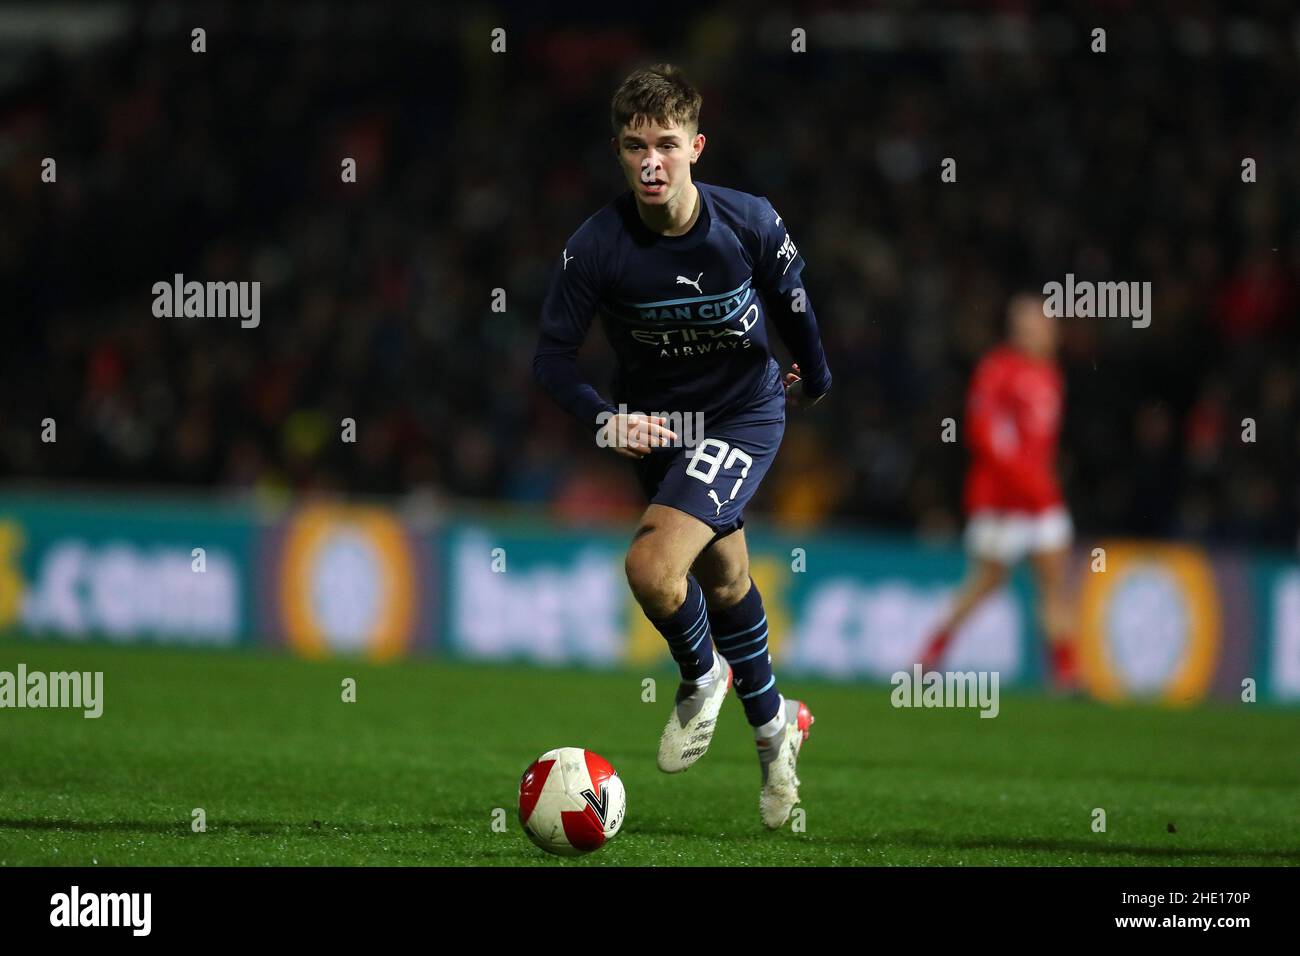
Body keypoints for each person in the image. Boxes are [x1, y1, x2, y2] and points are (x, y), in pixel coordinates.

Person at [532, 64, 832, 828]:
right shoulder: (595, 248)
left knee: (652, 569)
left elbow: (796, 305)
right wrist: (606, 419)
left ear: (696, 145)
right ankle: (778, 737)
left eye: (666, 143)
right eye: (635, 147)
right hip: (659, 429)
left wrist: (816, 378)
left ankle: (701, 676)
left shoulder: (749, 223)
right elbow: (552, 360)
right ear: (619, 152)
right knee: (727, 581)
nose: (651, 162)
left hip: (741, 415)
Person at [919, 293, 1078, 689]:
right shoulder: (997, 369)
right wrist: (1021, 478)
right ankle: (930, 654)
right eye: (1027, 323)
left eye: (1042, 324)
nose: (1036, 331)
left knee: (1055, 582)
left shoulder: (1051, 373)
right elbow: (983, 433)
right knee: (987, 580)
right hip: (1002, 499)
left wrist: (1042, 482)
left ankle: (1066, 675)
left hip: (1041, 499)